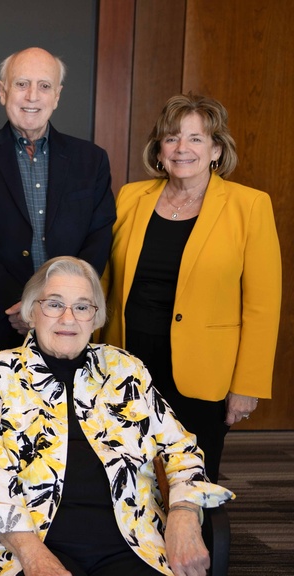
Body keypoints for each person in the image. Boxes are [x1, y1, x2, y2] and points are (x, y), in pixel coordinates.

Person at [0, 256, 233, 576]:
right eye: (54, 304)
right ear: (31, 312)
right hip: (35, 543)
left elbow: (181, 449)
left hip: (135, 542)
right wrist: (32, 553)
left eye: (82, 307)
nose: (68, 318)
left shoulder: (124, 369)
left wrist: (184, 515)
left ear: (95, 318)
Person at [101, 94, 281, 482]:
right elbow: (106, 280)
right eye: (172, 138)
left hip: (203, 369)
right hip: (128, 361)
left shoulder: (249, 205)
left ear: (217, 150)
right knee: (127, 476)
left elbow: (262, 306)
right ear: (159, 150)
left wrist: (246, 385)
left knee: (191, 482)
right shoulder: (131, 197)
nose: (182, 148)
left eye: (196, 138)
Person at [0, 47, 115, 460]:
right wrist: (23, 305)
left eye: (44, 86)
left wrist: (55, 304)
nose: (32, 96)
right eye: (21, 84)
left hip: (69, 323)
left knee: (67, 445)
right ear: (2, 91)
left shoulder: (91, 160)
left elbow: (99, 235)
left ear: (57, 95)